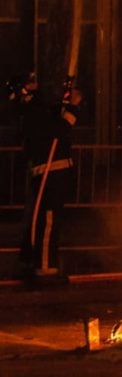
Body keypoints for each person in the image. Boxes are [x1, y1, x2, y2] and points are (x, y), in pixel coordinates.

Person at [12, 77, 80, 280]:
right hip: (50, 172)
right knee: (47, 220)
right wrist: (73, 108)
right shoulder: (34, 110)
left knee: (46, 219)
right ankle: (44, 266)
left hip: (52, 171)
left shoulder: (34, 108)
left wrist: (67, 102)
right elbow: (57, 130)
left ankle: (36, 260)